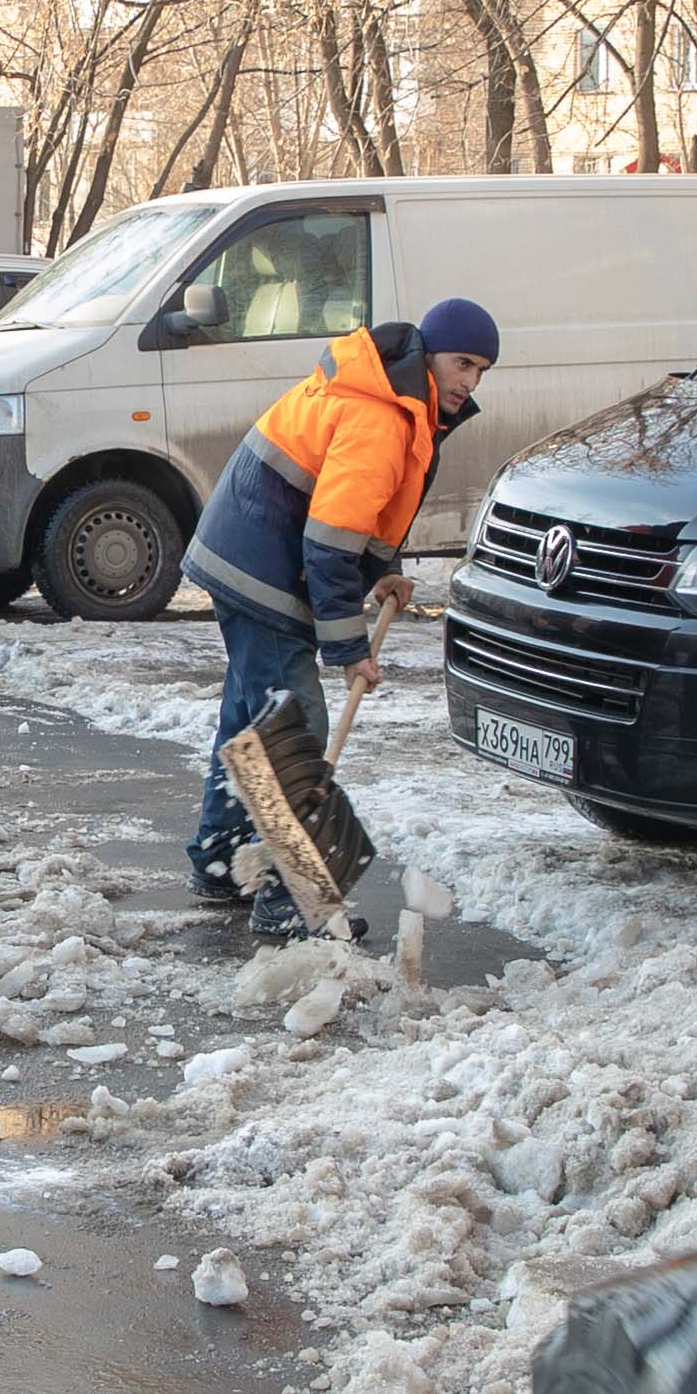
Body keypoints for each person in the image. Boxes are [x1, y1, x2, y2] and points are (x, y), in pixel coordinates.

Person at [181, 295, 498, 933]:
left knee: (254, 717)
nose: (470, 380)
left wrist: (383, 568)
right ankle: (293, 900)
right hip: (263, 570)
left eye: (482, 370)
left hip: (249, 558)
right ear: (428, 355)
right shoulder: (380, 416)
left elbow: (366, 513)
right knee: (292, 726)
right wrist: (349, 649)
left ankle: (220, 860)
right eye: (462, 362)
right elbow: (328, 544)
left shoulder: (402, 405)